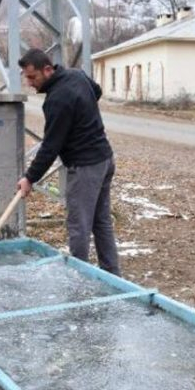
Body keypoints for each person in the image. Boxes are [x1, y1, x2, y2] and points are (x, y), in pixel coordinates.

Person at [16, 48, 121, 276]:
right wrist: (83, 114)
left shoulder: (57, 100)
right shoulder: (76, 74)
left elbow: (50, 147)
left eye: (32, 77)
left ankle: (78, 281)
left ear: (47, 69)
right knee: (101, 222)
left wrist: (29, 178)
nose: (30, 83)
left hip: (85, 167)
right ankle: (113, 277)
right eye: (26, 77)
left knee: (79, 227)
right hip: (104, 158)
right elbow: (97, 91)